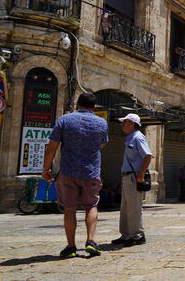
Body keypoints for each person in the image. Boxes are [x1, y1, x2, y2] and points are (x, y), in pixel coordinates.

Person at [42, 93, 108, 258]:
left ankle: (71, 247)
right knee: (91, 206)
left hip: (68, 172)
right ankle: (91, 241)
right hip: (91, 172)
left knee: (69, 209)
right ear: (94, 107)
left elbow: (52, 146)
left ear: (77, 104)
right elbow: (102, 144)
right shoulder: (102, 122)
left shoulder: (64, 120)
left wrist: (46, 168)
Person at [111, 113, 152, 247]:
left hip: (134, 177)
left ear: (133, 124)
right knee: (125, 207)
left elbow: (147, 156)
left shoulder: (138, 137)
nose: (123, 124)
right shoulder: (130, 137)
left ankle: (137, 235)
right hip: (127, 176)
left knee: (134, 207)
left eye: (126, 122)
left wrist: (140, 175)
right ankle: (126, 234)